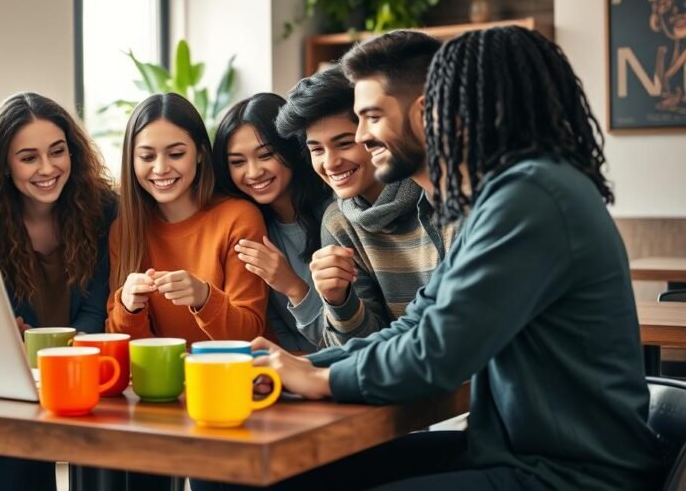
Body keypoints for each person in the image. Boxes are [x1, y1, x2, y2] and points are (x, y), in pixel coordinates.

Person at [249, 26, 665, 490]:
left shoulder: (530, 196)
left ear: (428, 114)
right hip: (509, 453)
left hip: (574, 474)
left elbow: (439, 352)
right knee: (281, 475)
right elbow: (418, 324)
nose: (362, 135)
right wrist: (306, 367)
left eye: (369, 117)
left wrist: (322, 382)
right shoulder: (498, 197)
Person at [278, 61, 457, 347]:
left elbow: (455, 325)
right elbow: (361, 349)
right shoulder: (338, 221)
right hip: (398, 376)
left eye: (344, 143)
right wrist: (339, 300)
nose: (330, 162)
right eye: (317, 150)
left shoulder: (442, 197)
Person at [106, 93, 268, 343]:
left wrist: (205, 297)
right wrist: (129, 308)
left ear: (201, 153)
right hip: (164, 380)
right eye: (147, 157)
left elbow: (249, 335)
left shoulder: (239, 218)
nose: (160, 168)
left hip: (236, 375)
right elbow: (121, 346)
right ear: (131, 160)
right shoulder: (124, 231)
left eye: (176, 154)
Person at [0, 92, 115, 335]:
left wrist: (66, 352)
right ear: (3, 165)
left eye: (57, 152)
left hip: (84, 358)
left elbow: (96, 309)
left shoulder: (104, 209)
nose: (47, 168)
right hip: (16, 363)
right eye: (29, 158)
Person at [212, 93, 331, 352]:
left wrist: (292, 286)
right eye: (238, 162)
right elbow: (273, 328)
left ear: (291, 148)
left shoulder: (336, 216)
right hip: (292, 372)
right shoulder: (250, 226)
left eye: (265, 155)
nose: (253, 172)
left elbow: (352, 335)